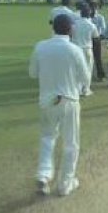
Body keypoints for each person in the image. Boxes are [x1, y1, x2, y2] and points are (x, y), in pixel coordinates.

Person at [29, 14, 90, 197]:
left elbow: (33, 73)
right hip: (68, 100)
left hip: (47, 100)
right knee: (71, 143)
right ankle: (65, 184)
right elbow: (86, 79)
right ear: (70, 29)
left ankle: (43, 175)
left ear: (53, 28)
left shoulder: (41, 46)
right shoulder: (74, 49)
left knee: (48, 138)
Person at [71, 5, 100, 96]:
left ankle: (77, 89)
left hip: (76, 49)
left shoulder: (74, 24)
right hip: (87, 49)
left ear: (81, 13)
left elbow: (70, 35)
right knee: (88, 69)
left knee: (77, 70)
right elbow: (96, 37)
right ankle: (86, 89)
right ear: (89, 14)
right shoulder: (91, 25)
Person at [90, 2, 106, 81]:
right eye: (91, 7)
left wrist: (100, 37)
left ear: (96, 8)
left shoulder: (100, 17)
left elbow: (103, 29)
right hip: (88, 40)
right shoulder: (87, 17)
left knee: (98, 58)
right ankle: (88, 75)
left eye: (94, 7)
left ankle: (101, 75)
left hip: (96, 40)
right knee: (88, 58)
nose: (92, 9)